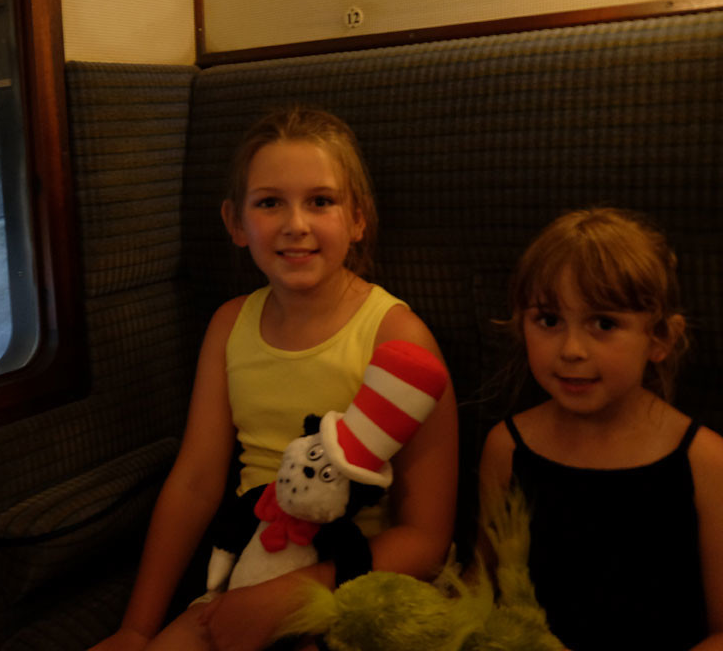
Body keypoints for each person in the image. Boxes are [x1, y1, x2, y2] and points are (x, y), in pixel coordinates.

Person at [89, 107, 458, 651]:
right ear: (236, 223)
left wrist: (291, 595)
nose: (295, 224)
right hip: (241, 579)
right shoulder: (229, 325)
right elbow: (195, 483)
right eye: (269, 203)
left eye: (321, 201)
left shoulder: (397, 337)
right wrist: (137, 628)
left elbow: (426, 538)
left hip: (355, 593)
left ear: (358, 218)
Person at [477, 208, 723, 651]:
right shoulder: (506, 447)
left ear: (660, 339)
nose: (572, 350)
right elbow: (482, 589)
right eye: (549, 320)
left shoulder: (706, 460)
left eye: (604, 324)